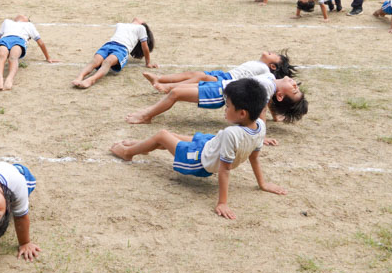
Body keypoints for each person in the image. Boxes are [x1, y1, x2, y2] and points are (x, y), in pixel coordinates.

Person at [111, 79, 285, 220]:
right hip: (211, 144)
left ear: (242, 114)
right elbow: (254, 157)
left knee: (163, 135)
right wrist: (262, 184)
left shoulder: (231, 134)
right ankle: (144, 145)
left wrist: (222, 202)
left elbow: (224, 169)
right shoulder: (260, 125)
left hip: (199, 161)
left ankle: (127, 153)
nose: (225, 110)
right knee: (172, 136)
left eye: (228, 106)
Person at [125, 61, 306, 125]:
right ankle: (147, 113)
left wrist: (261, 134)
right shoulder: (269, 78)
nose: (294, 83)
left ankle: (146, 116)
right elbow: (269, 105)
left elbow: (262, 111)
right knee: (176, 92)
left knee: (175, 94)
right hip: (220, 87)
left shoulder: (268, 88)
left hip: (220, 94)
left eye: (294, 89)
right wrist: (277, 116)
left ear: (281, 95)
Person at [143, 51, 296, 93]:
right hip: (224, 74)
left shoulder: (264, 70)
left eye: (274, 55)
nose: (271, 52)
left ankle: (169, 88)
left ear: (273, 67)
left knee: (199, 77)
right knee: (193, 73)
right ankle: (160, 78)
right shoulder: (260, 64)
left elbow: (263, 89)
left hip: (227, 81)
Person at [72, 19, 155, 89]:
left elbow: (145, 47)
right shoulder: (120, 24)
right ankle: (79, 77)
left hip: (122, 49)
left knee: (107, 62)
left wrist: (148, 63)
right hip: (108, 44)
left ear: (142, 24)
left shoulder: (141, 28)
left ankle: (91, 80)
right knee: (95, 61)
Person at [0, 15, 58, 91]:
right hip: (5, 39)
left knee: (13, 57)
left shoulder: (29, 25)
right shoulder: (7, 21)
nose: (22, 16)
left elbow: (40, 42)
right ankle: (0, 80)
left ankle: (9, 79)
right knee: (2, 55)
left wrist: (48, 57)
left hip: (19, 40)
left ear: (27, 20)